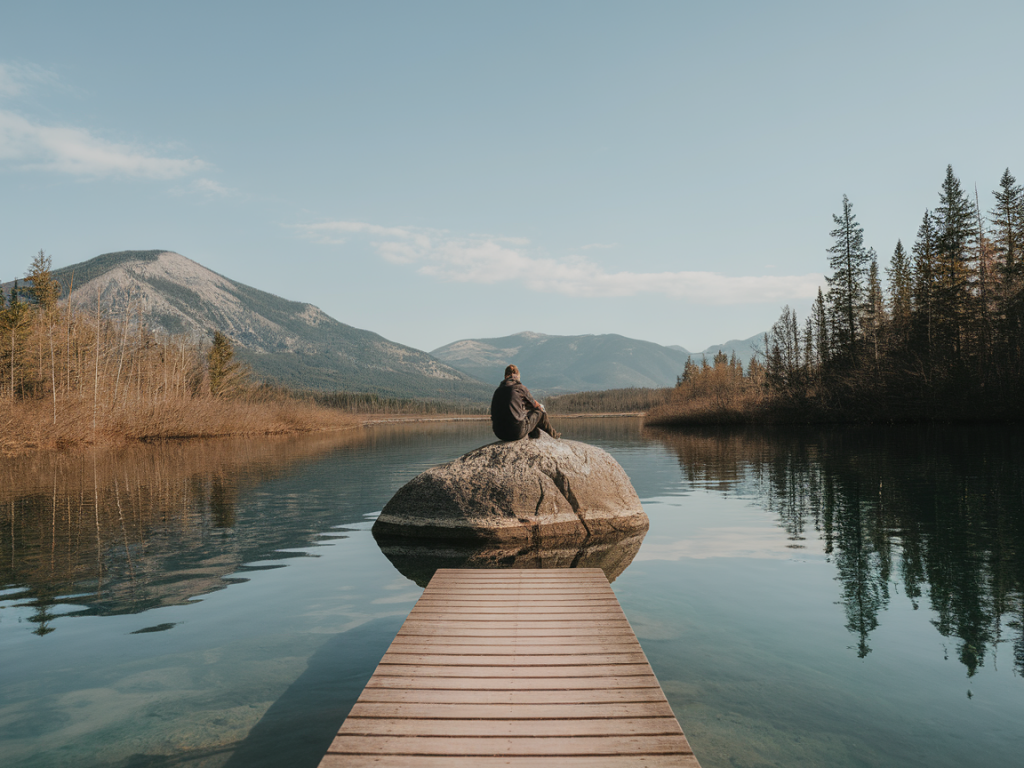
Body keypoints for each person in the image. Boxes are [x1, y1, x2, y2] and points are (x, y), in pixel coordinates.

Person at [490, 364, 560, 441]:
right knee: (540, 412)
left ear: (505, 376)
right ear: (517, 375)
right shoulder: (519, 388)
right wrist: (540, 406)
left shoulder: (498, 391)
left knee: (523, 415)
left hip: (499, 433)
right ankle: (554, 436)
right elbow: (535, 405)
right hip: (517, 432)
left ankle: (534, 433)